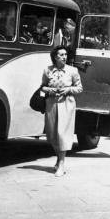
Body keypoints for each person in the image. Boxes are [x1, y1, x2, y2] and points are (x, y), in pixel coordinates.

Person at [41, 45, 83, 176]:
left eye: (65, 55)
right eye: (61, 55)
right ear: (55, 57)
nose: (65, 57)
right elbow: (42, 87)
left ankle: (62, 164)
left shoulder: (73, 70)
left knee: (62, 133)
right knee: (52, 133)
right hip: (52, 104)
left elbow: (79, 88)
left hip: (67, 104)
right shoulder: (48, 70)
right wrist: (50, 90)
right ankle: (59, 160)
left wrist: (68, 89)